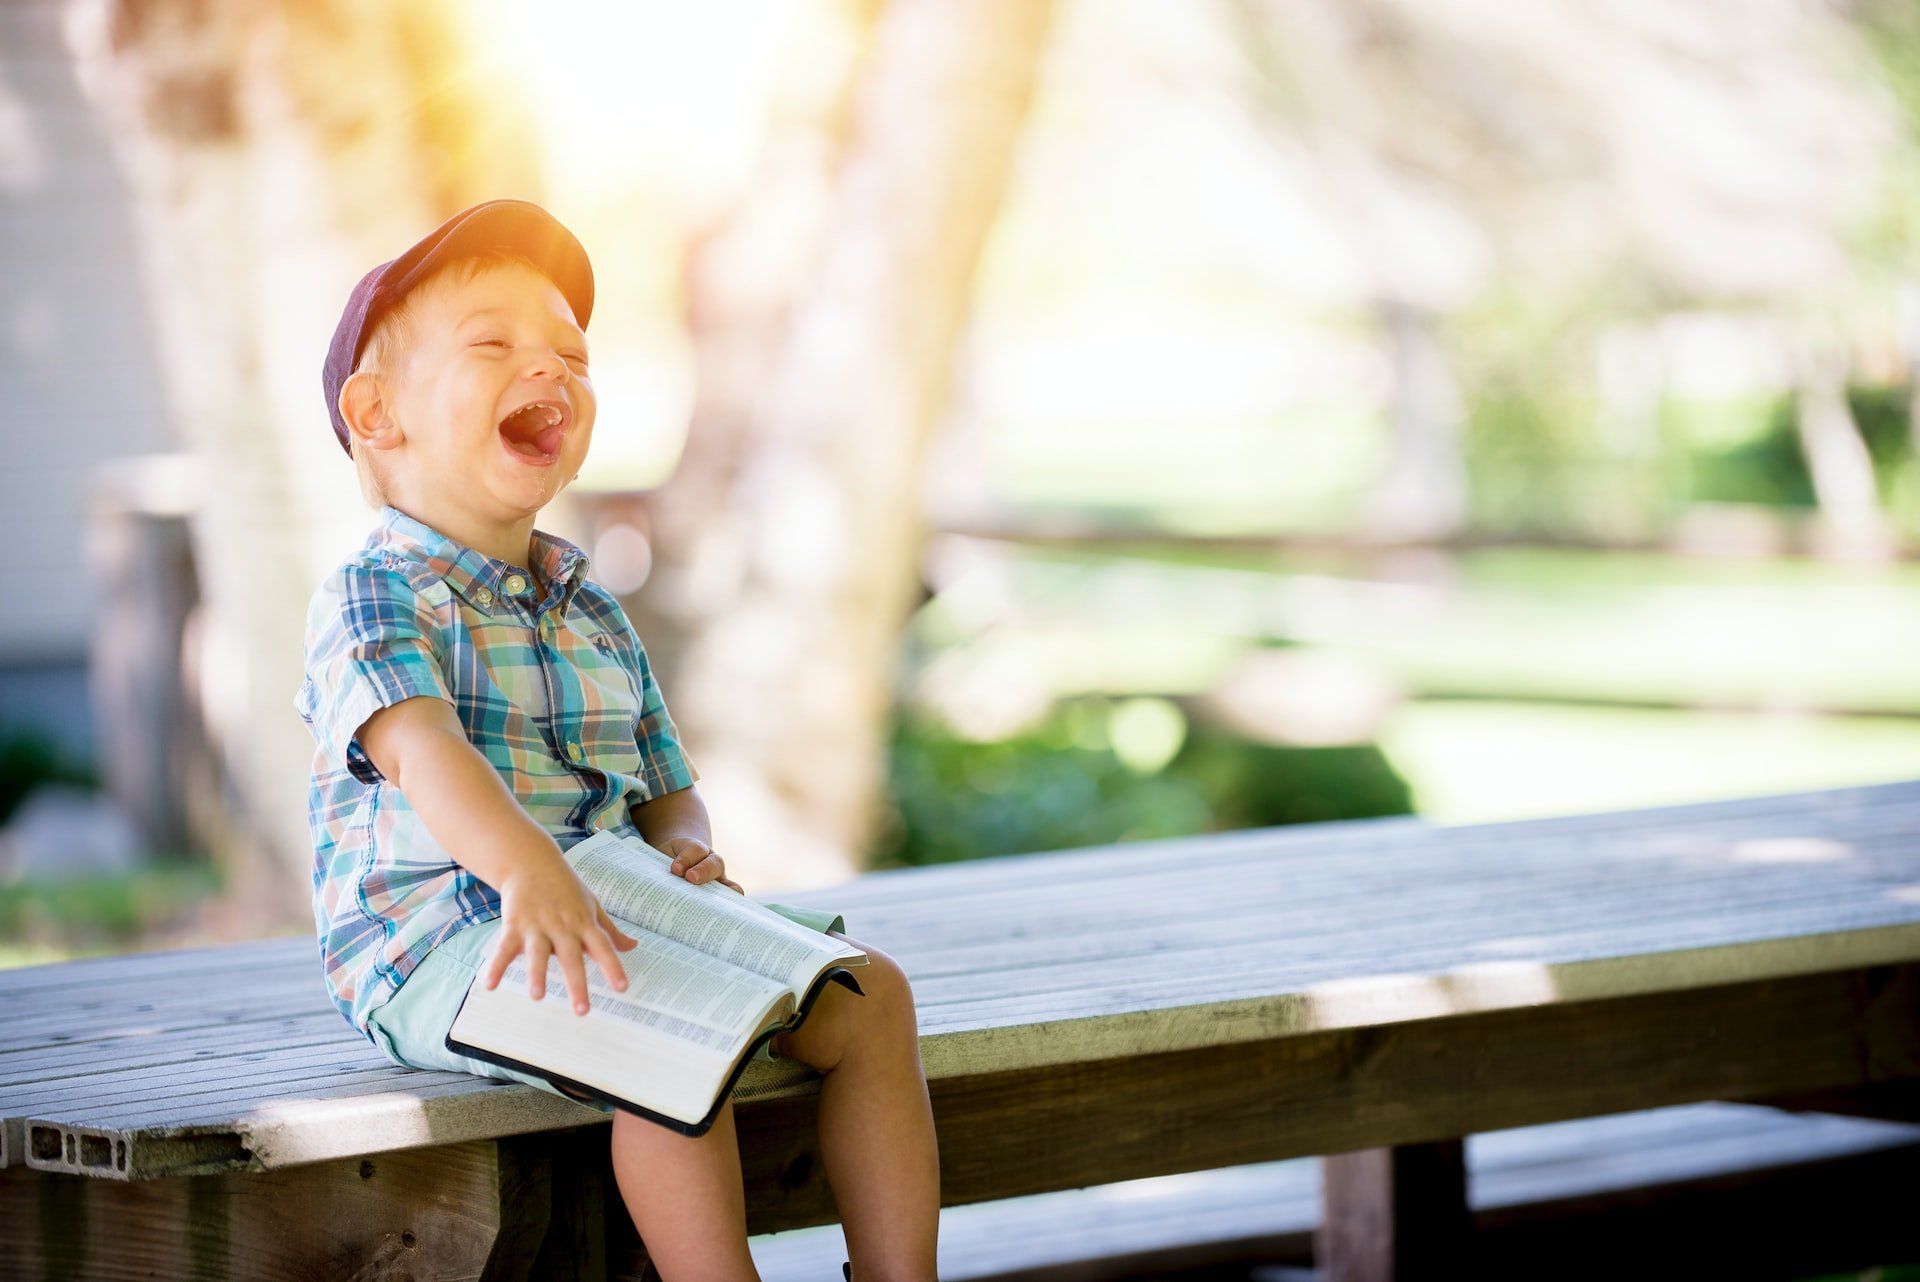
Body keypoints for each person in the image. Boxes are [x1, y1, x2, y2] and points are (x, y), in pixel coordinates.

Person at [296, 199, 938, 1282]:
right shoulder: (375, 591)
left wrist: (684, 841)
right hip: (442, 936)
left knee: (872, 997)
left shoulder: (584, 597)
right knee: (668, 1041)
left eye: (571, 354)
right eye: (494, 343)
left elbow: (662, 779)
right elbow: (423, 750)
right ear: (377, 412)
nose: (547, 368)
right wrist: (527, 867)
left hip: (607, 895)